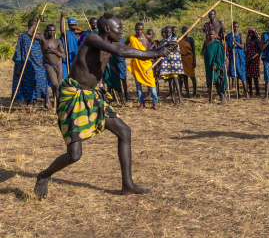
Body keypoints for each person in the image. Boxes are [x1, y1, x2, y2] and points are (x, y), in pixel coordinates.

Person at [34, 13, 176, 199]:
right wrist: (157, 53)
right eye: (119, 28)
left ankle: (127, 184)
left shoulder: (114, 43)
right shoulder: (92, 38)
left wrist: (161, 49)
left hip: (92, 95)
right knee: (74, 155)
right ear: (108, 29)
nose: (122, 31)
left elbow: (131, 51)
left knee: (124, 131)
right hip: (73, 95)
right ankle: (44, 175)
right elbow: (122, 53)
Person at [11, 19, 51, 109]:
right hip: (27, 64)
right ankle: (32, 101)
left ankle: (46, 99)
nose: (34, 27)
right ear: (29, 26)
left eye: (36, 25)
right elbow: (18, 51)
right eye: (32, 25)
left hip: (39, 63)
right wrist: (18, 65)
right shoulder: (23, 36)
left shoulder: (39, 36)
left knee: (41, 81)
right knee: (28, 83)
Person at [27, 23, 66, 103]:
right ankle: (59, 103)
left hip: (58, 65)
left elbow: (63, 56)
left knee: (59, 86)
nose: (52, 32)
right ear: (47, 31)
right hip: (49, 66)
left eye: (54, 30)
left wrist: (54, 51)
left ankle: (59, 104)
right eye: (50, 31)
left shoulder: (58, 41)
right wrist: (36, 22)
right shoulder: (43, 40)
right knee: (56, 85)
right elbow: (30, 33)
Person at [125, 23, 159, 110]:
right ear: (135, 29)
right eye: (137, 29)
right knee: (138, 85)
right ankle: (141, 103)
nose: (138, 31)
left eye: (140, 29)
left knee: (151, 83)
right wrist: (130, 51)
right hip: (136, 63)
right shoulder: (131, 38)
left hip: (146, 62)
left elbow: (154, 43)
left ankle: (155, 103)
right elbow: (124, 45)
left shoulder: (147, 37)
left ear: (143, 30)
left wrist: (148, 50)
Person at [203, 28, 228, 104]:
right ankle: (210, 100)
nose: (211, 35)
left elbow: (220, 55)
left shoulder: (218, 44)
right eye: (209, 34)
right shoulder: (206, 42)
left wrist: (216, 64)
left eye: (212, 34)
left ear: (215, 35)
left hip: (217, 65)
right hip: (208, 65)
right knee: (210, 82)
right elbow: (203, 50)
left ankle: (223, 98)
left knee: (219, 81)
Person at [226, 22, 250, 99]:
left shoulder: (240, 35)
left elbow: (242, 46)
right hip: (233, 56)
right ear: (231, 27)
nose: (235, 28)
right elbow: (229, 49)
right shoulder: (229, 36)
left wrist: (235, 41)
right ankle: (238, 93)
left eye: (237, 27)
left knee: (242, 74)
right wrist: (232, 46)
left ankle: (246, 93)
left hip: (240, 57)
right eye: (234, 27)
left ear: (238, 27)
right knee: (235, 75)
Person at [160, 27, 184, 104]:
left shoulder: (174, 40)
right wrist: (167, 44)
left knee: (176, 80)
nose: (168, 34)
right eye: (167, 32)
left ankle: (180, 99)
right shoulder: (162, 41)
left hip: (174, 63)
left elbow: (175, 49)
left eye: (169, 32)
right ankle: (172, 99)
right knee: (170, 82)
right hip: (167, 64)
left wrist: (170, 44)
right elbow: (161, 50)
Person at [60, 13, 81, 79]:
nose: (73, 26)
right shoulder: (66, 33)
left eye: (74, 25)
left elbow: (89, 32)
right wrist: (62, 18)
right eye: (71, 25)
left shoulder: (77, 34)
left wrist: (80, 29)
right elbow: (62, 30)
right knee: (66, 74)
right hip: (67, 56)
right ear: (68, 25)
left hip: (75, 56)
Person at [178, 26, 197, 98]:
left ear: (188, 31)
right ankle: (187, 93)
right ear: (181, 31)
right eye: (183, 31)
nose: (184, 32)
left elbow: (194, 50)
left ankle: (194, 93)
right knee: (184, 77)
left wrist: (194, 60)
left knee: (192, 77)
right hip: (182, 59)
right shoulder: (179, 39)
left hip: (189, 58)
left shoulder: (190, 39)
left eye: (186, 31)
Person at [246, 27, 262, 97]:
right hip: (248, 59)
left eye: (251, 32)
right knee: (248, 76)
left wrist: (253, 58)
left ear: (254, 33)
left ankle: (258, 91)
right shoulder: (248, 40)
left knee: (255, 77)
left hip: (255, 60)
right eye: (249, 32)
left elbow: (260, 51)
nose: (250, 34)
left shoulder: (257, 40)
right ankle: (250, 91)